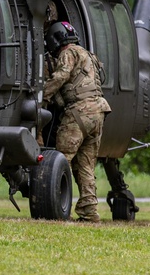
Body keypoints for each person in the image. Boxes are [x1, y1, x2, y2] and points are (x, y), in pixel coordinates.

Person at [43, 21, 111, 222]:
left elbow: (61, 77)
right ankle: (89, 211)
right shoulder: (88, 54)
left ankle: (54, 207)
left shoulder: (68, 53)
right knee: (86, 165)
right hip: (98, 112)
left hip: (79, 112)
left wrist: (43, 95)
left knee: (59, 161)